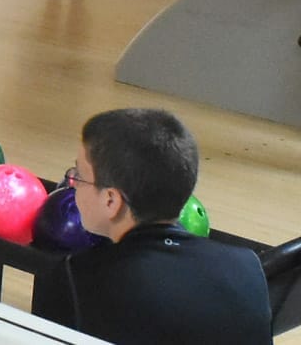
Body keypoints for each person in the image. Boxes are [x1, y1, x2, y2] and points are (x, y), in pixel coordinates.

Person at [32, 108, 271, 343]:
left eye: (79, 176)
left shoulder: (75, 278)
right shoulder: (247, 266)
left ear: (111, 200)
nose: (72, 184)